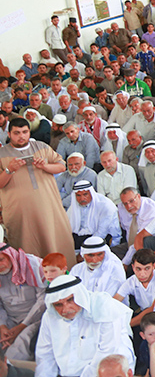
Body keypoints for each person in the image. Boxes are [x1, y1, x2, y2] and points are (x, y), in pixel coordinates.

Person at [0, 118, 74, 260]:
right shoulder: (2, 154)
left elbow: (61, 166)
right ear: (9, 134)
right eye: (16, 133)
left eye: (24, 132)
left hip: (48, 206)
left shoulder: (41, 147)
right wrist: (9, 170)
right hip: (20, 212)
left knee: (54, 241)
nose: (21, 136)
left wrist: (45, 166)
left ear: (29, 132)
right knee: (27, 247)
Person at [36, 274, 134, 377]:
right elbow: (45, 355)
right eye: (58, 305)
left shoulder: (103, 307)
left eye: (70, 300)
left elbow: (107, 351)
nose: (66, 309)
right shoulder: (50, 316)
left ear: (79, 296)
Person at [0, 241, 45, 361]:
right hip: (8, 319)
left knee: (21, 346)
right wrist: (2, 326)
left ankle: (11, 367)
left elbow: (43, 300)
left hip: (35, 319)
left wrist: (22, 326)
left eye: (1, 260)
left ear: (10, 256)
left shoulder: (32, 265)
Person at [67, 181, 121, 250]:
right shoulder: (74, 207)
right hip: (81, 237)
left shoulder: (105, 205)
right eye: (78, 195)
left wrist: (87, 248)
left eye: (85, 194)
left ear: (91, 193)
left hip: (103, 237)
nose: (82, 198)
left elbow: (101, 233)